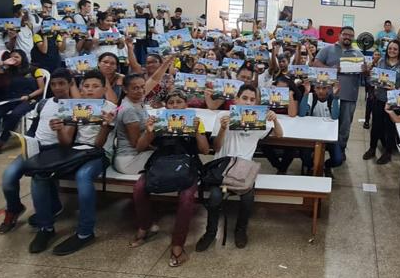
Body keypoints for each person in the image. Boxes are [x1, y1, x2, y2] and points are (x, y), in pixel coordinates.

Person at [28, 70, 117, 256]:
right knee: (39, 174)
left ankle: (85, 232)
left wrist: (105, 127)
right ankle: (46, 228)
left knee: (83, 176)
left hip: (99, 153)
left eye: (95, 86)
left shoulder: (111, 109)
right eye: (86, 86)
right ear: (80, 89)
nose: (90, 91)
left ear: (104, 89)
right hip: (75, 151)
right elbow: (66, 142)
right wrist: (60, 129)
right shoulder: (75, 106)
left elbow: (99, 145)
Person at [196, 84, 284, 251]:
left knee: (247, 197)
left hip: (243, 171)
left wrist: (275, 120)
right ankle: (210, 232)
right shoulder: (224, 116)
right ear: (236, 99)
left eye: (252, 100)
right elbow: (216, 146)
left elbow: (279, 134)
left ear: (257, 103)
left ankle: (240, 230)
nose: (248, 103)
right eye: (244, 98)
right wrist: (223, 128)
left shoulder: (259, 120)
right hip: (223, 170)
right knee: (216, 196)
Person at [130, 90, 210, 266]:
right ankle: (146, 226)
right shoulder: (159, 121)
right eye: (171, 102)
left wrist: (197, 131)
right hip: (161, 163)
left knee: (187, 198)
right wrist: (150, 132)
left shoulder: (196, 121)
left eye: (179, 102)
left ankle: (178, 243)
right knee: (139, 189)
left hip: (187, 164)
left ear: (186, 105)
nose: (175, 106)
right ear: (166, 106)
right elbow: (140, 147)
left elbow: (205, 150)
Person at [0, 68, 73, 233]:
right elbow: (34, 127)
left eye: (62, 84)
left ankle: (47, 216)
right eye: (53, 84)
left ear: (70, 84)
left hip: (55, 149)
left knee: (39, 178)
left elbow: (67, 141)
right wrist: (27, 140)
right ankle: (14, 208)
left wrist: (60, 130)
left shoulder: (72, 107)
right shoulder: (44, 103)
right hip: (34, 146)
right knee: (8, 177)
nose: (57, 87)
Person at [312, 26, 368, 160]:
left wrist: (365, 70)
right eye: (345, 34)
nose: (347, 37)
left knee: (344, 127)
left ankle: (340, 151)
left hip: (349, 96)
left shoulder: (358, 54)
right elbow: (316, 63)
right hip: (327, 95)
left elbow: (365, 74)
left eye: (350, 35)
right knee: (323, 122)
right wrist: (331, 69)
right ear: (339, 35)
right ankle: (318, 147)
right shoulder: (328, 49)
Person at [0, 49, 46, 159]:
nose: (14, 60)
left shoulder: (34, 70)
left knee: (15, 114)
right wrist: (3, 63)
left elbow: (41, 89)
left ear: (23, 57)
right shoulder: (9, 69)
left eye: (17, 57)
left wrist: (28, 96)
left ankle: (1, 141)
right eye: (12, 57)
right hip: (12, 99)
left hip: (29, 98)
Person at [364, 39, 400, 165]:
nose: (392, 51)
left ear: (399, 51)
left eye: (395, 49)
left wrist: (396, 89)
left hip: (394, 101)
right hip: (379, 98)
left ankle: (388, 152)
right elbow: (375, 77)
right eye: (390, 48)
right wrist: (375, 82)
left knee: (390, 127)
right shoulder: (381, 61)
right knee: (376, 125)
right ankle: (372, 148)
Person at [111, 74, 155, 174]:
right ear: (125, 90)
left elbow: (155, 79)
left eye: (143, 87)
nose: (140, 90)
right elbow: (137, 145)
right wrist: (151, 134)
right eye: (135, 88)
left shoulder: (137, 101)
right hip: (129, 160)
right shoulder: (129, 110)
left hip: (136, 154)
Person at [297, 80, 341, 175]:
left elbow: (334, 116)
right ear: (314, 89)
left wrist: (336, 97)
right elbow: (301, 114)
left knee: (338, 159)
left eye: (324, 88)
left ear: (329, 89)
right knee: (304, 156)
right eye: (318, 88)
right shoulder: (310, 97)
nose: (321, 91)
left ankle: (326, 166)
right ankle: (311, 166)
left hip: (329, 135)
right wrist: (306, 93)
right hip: (311, 134)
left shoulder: (334, 98)